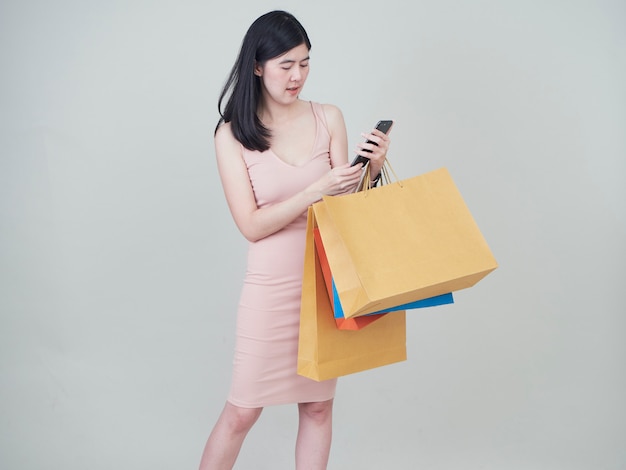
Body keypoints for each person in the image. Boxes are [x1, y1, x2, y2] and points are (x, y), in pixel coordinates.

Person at [198, 10, 390, 470]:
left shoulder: (329, 117)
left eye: (305, 63)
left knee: (319, 407)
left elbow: (345, 211)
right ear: (258, 66)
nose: (297, 75)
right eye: (286, 65)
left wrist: (373, 170)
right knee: (242, 410)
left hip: (323, 283)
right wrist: (312, 192)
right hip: (270, 286)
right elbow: (251, 225)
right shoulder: (231, 135)